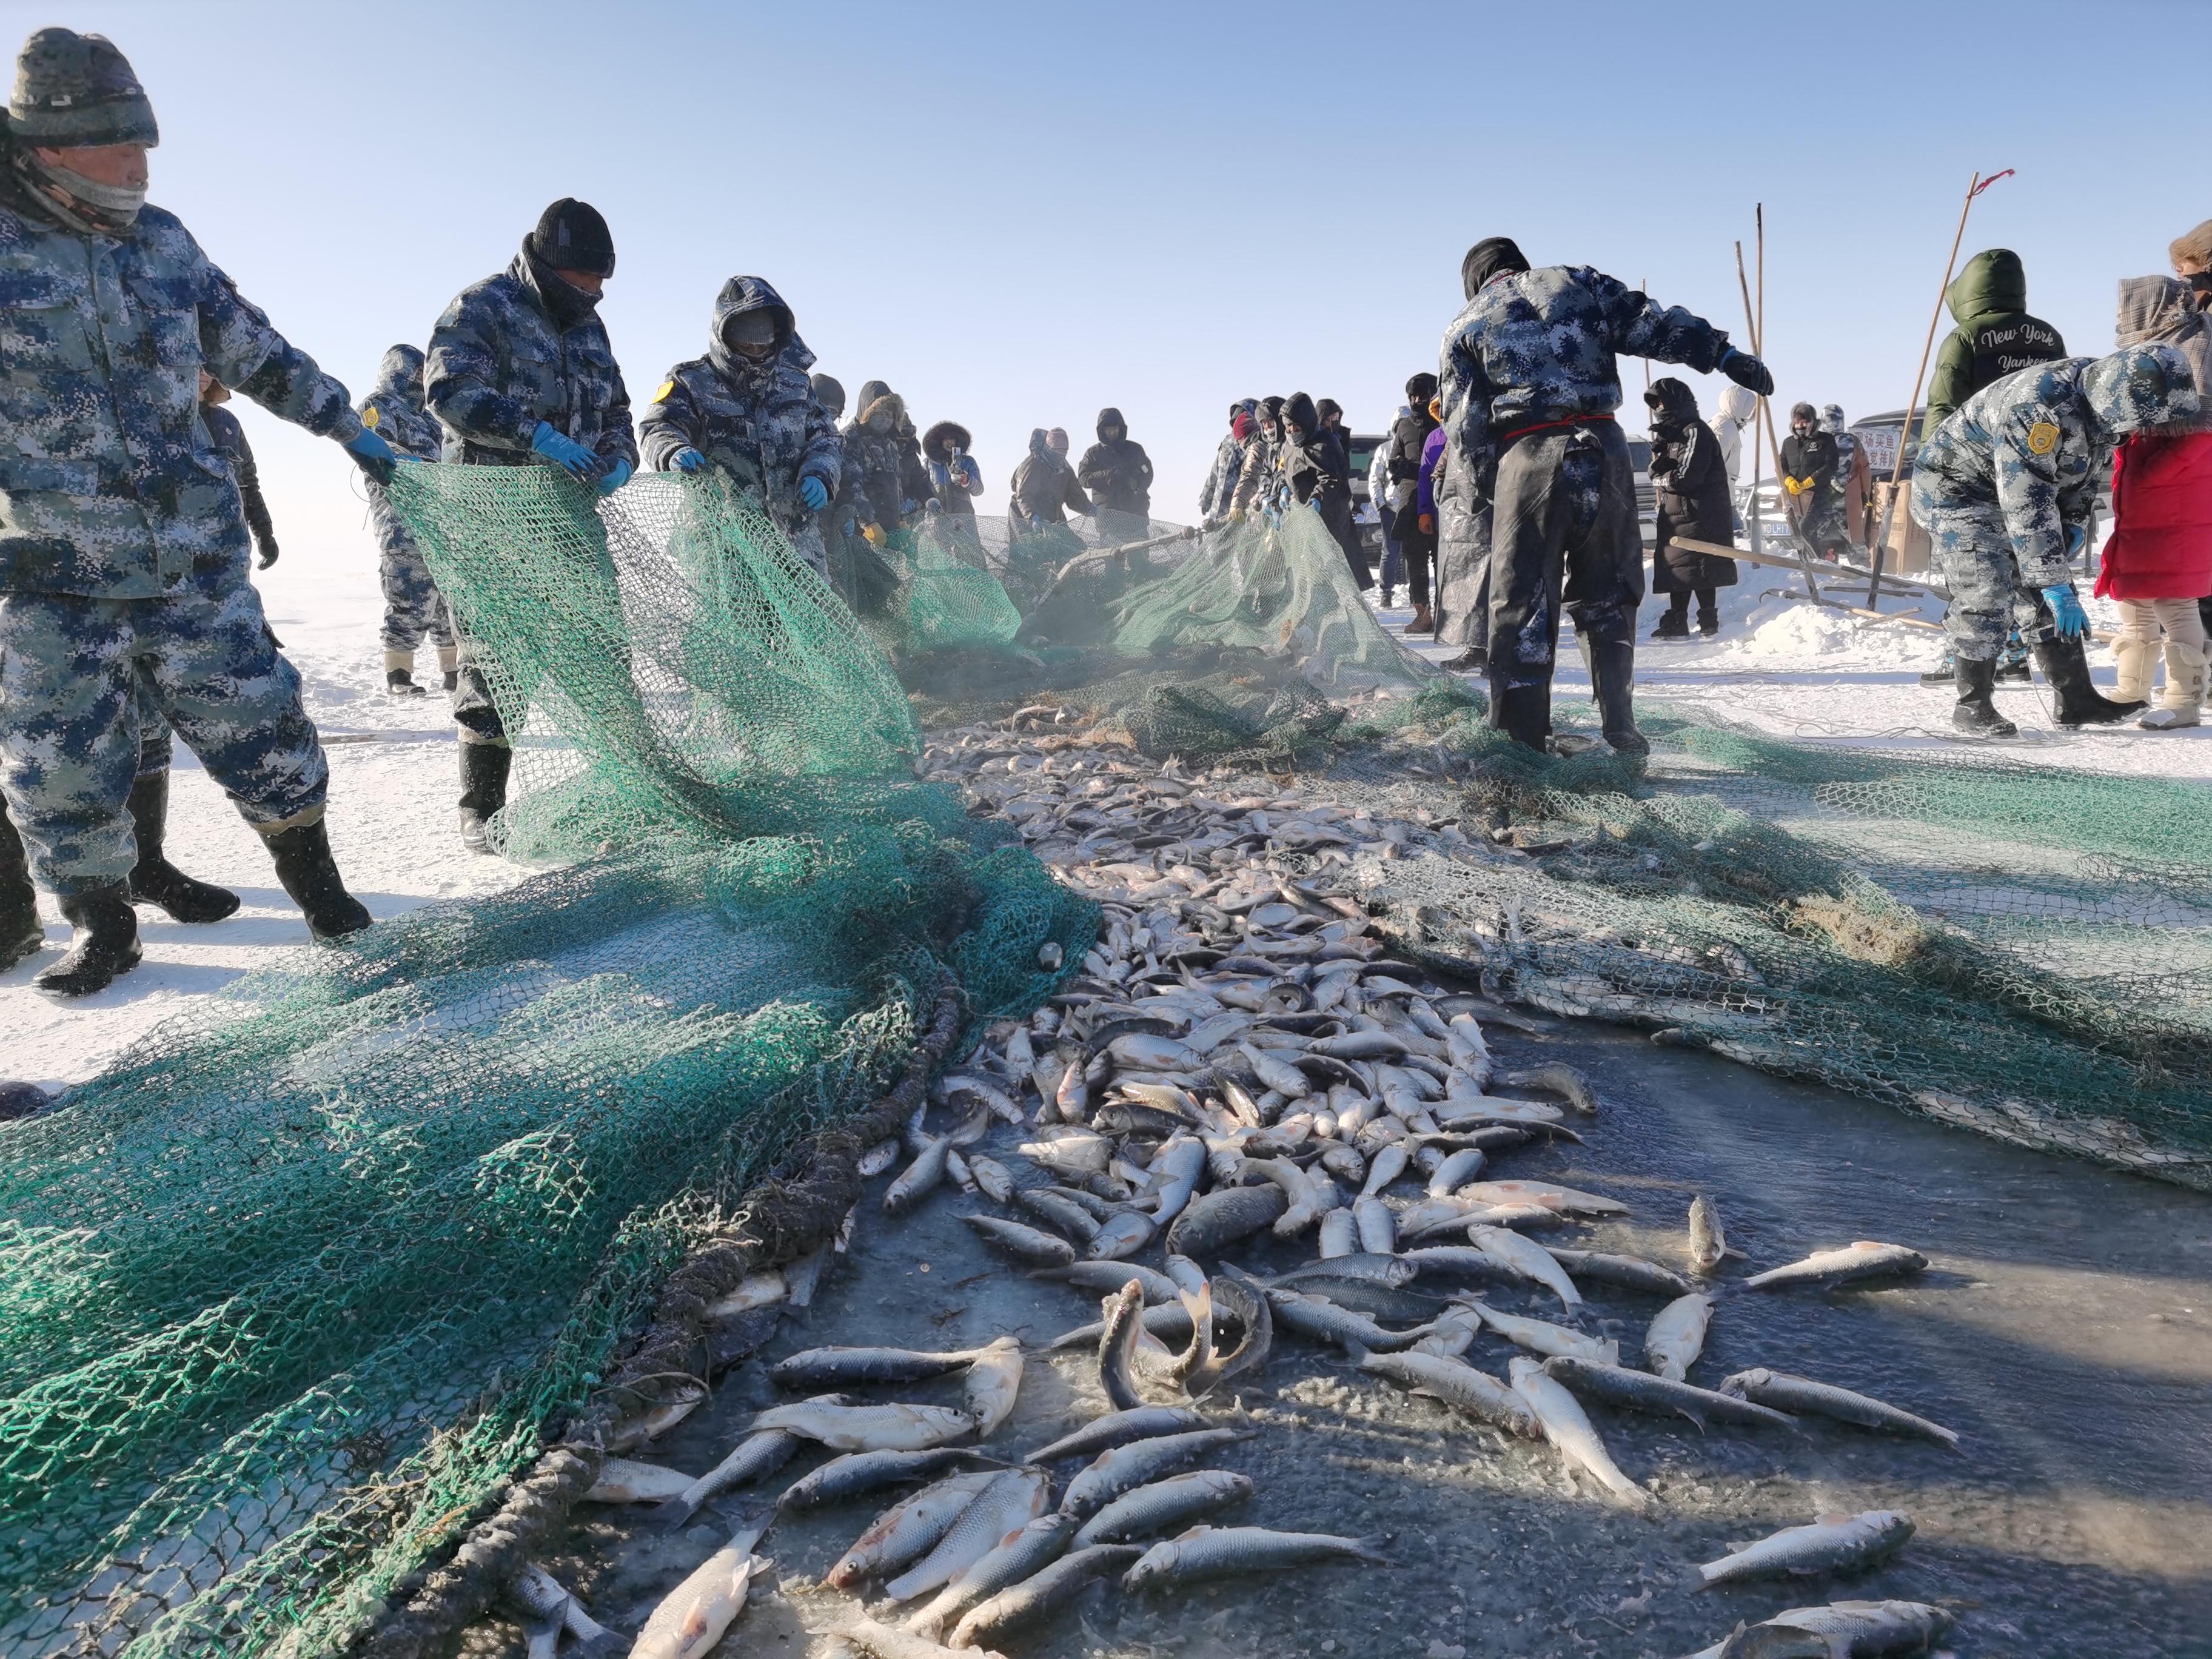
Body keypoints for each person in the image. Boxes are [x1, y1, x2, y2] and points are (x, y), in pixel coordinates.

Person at [0, 28, 387, 996]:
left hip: (193, 558)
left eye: (146, 144)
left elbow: (256, 348)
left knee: (265, 726)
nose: (139, 165)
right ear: (52, 145)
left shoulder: (165, 240)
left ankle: (322, 894)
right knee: (61, 775)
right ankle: (106, 927)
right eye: (117, 145)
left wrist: (352, 428)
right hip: (53, 576)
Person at [1439, 236, 1771, 751]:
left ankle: (1521, 742)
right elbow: (1652, 324)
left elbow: (1466, 430)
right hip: (1606, 452)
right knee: (1610, 594)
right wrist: (1724, 355)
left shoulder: (1467, 323)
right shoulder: (1575, 282)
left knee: (1523, 602)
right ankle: (1620, 722)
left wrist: (1491, 492)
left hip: (1527, 459)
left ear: (1474, 278)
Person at [426, 196, 637, 851]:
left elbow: (620, 411)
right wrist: (535, 436)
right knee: (497, 664)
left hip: (572, 520)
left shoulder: (590, 328)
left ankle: (629, 794)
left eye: (603, 280)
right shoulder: (483, 307)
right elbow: (449, 392)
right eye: (584, 279)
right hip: (495, 522)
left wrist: (619, 460)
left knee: (605, 654)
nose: (595, 292)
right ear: (549, 265)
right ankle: (481, 809)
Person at [1910, 347, 2195, 736]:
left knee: (2046, 593)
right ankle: (1973, 706)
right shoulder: (2038, 406)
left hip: (2018, 495)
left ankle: (2077, 700)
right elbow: (2026, 497)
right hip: (1959, 492)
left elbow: (2081, 475)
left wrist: (2074, 522)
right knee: (1987, 591)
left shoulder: (2104, 409)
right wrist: (2053, 579)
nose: (2138, 431)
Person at [1913, 250, 2070, 687]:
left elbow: (1943, 408)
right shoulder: (2048, 337)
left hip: (1972, 467)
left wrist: (1931, 469)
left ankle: (1967, 657)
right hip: (2032, 465)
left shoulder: (1964, 340)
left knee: (1971, 568)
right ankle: (2016, 653)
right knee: (2022, 559)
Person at [639, 276, 841, 581]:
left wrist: (821, 472)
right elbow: (658, 426)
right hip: (724, 549)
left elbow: (826, 439)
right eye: (746, 343)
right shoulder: (691, 382)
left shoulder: (796, 385)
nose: (757, 351)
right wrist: (672, 450)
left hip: (797, 548)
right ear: (725, 336)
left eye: (764, 342)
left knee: (809, 626)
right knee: (733, 627)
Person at [2099, 276, 2212, 729]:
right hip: (2144, 500)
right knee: (2135, 601)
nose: (2121, 319)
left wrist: (2150, 475)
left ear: (2153, 310)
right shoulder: (2144, 349)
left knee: (2175, 602)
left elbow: (2203, 428)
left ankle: (2185, 700)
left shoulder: (2196, 344)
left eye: (2129, 310)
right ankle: (2131, 690)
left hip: (2177, 500)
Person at [356, 344, 452, 697]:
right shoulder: (375, 406)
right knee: (408, 592)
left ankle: (452, 671)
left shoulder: (430, 419)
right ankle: (399, 675)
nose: (421, 378)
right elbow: (376, 447)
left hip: (444, 522)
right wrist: (424, 471)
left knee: (447, 597)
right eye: (415, 371)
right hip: (401, 521)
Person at [1644, 378, 1738, 638]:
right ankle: (1678, 620)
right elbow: (1659, 471)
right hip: (1678, 513)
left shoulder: (1695, 431)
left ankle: (1708, 620)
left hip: (1700, 514)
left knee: (1701, 565)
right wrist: (1660, 459)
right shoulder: (1675, 435)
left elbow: (1684, 478)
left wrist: (1659, 479)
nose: (1659, 407)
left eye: (1662, 401)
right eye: (1656, 403)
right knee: (1680, 568)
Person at [1386, 374, 1441, 631]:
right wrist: (1397, 467)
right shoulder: (1404, 426)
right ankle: (1423, 612)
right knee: (1415, 561)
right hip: (1410, 501)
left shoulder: (1443, 423)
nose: (1418, 401)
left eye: (1422, 397)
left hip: (1440, 500)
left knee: (1444, 562)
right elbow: (1395, 457)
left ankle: (1446, 612)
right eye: (1414, 397)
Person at [1312, 398, 1372, 588]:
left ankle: (1351, 586)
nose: (1334, 421)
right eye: (1330, 418)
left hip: (1342, 500)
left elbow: (1344, 469)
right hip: (1323, 500)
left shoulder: (1341, 436)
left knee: (1348, 548)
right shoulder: (1315, 439)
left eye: (1336, 417)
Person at [1779, 402, 1848, 558]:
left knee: (1803, 529)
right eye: (1798, 422)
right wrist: (1789, 480)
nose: (1801, 425)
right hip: (1796, 497)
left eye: (1805, 422)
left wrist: (1809, 482)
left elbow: (1831, 465)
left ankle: (1808, 562)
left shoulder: (1825, 440)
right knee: (1807, 533)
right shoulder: (1788, 443)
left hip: (1818, 495)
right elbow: (1781, 465)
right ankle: (1817, 560)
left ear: (1812, 421)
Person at [1079, 407, 1154, 545]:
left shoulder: (1135, 450)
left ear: (1121, 429)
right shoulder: (1093, 454)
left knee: (1140, 562)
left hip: (1136, 514)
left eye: (1115, 428)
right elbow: (1083, 478)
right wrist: (1106, 475)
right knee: (1112, 563)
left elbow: (1147, 472)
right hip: (1109, 518)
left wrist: (1138, 485)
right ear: (1102, 430)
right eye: (1108, 429)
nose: (1112, 432)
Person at [1825, 404, 1872, 549]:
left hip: (1822, 498)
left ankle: (1817, 562)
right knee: (1854, 538)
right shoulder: (1853, 441)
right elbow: (1864, 469)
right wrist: (1865, 494)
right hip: (1849, 498)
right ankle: (1861, 566)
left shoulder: (1817, 441)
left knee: (1817, 536)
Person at [1198, 401, 1249, 521]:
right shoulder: (1227, 442)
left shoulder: (1254, 443)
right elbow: (1215, 472)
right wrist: (1206, 498)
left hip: (1238, 508)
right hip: (1218, 506)